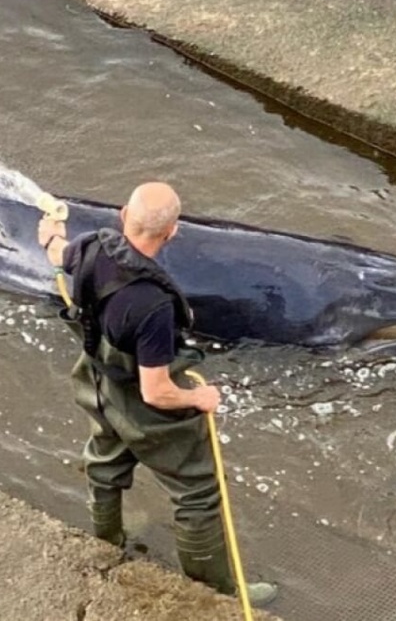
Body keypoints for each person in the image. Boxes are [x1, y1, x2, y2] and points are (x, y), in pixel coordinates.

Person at [38, 181, 277, 607]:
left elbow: (58, 255)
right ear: (172, 233)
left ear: (122, 215)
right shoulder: (153, 307)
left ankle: (107, 541)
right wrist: (199, 399)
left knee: (104, 461)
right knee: (199, 491)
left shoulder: (90, 246)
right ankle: (217, 592)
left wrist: (51, 233)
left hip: (96, 380)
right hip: (137, 396)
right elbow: (156, 391)